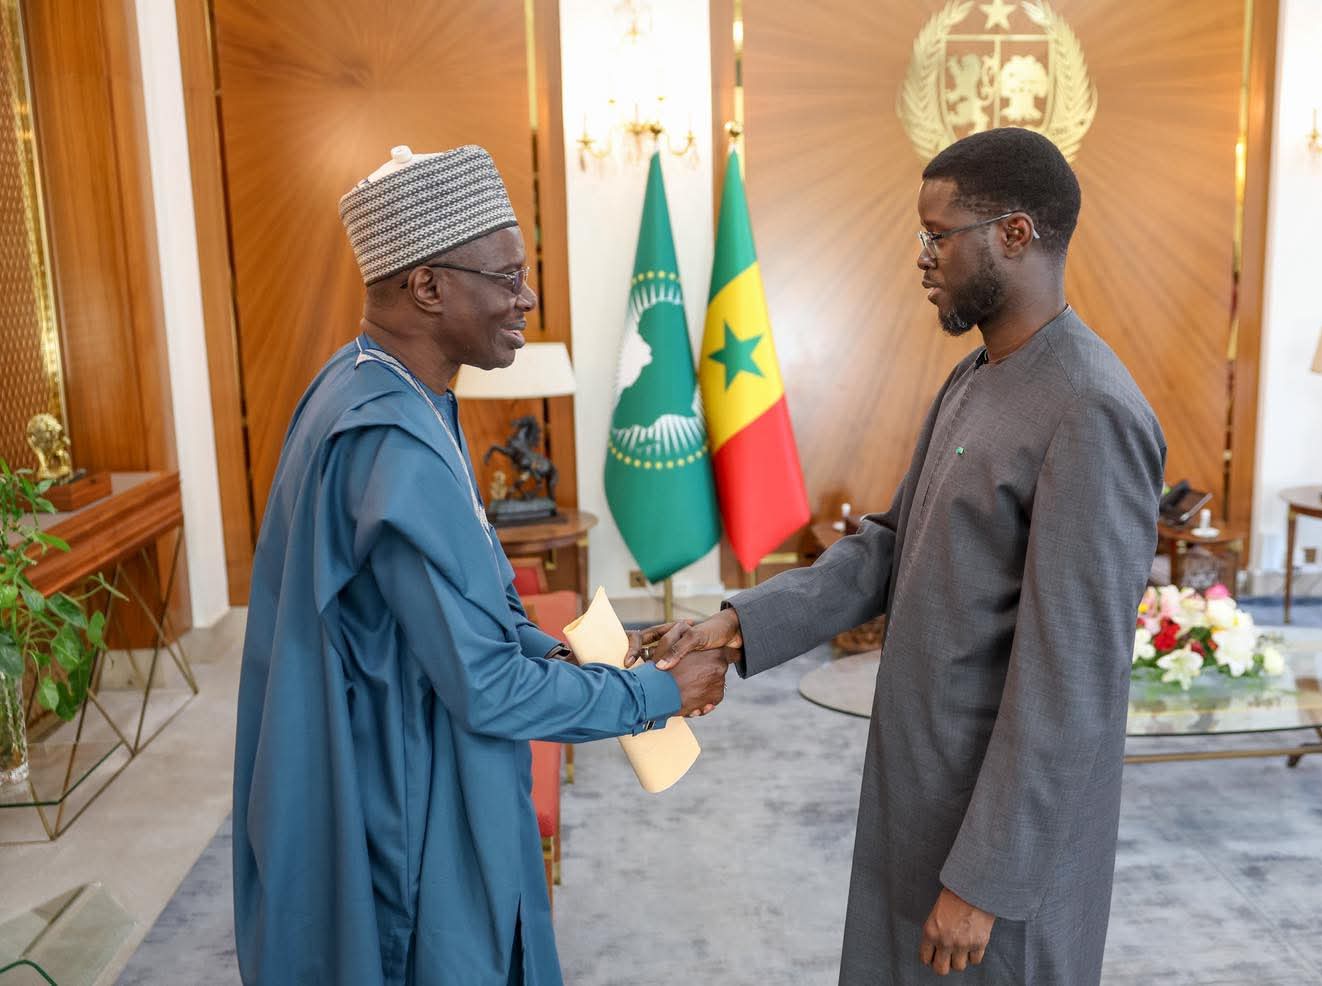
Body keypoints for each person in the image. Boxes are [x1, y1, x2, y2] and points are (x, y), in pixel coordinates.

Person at [632, 128, 1165, 984]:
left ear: (1016, 235)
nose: (922, 257)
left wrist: (985, 879)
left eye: (938, 235)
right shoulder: (976, 377)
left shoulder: (1092, 408)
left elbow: (1073, 682)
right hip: (920, 799)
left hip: (998, 853)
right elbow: (887, 546)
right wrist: (734, 626)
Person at [232, 144, 729, 986]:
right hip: (407, 792)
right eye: (506, 278)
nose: (526, 298)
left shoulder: (374, 387)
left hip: (404, 740)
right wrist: (656, 695)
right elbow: (484, 686)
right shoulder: (393, 440)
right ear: (428, 286)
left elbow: (460, 620)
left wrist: (589, 651)